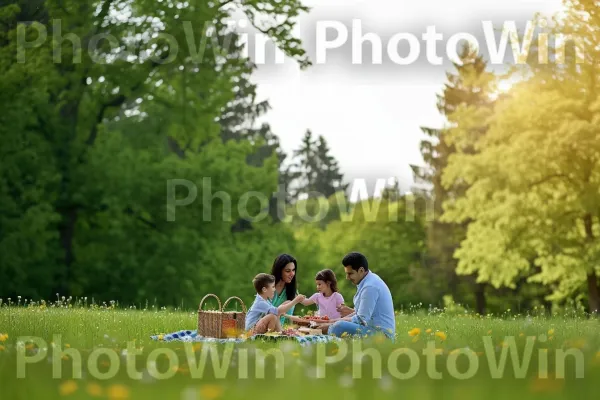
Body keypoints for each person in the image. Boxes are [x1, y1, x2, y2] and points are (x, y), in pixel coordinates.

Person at [315, 252, 396, 340]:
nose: (347, 277)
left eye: (350, 274)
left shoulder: (370, 287)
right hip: (370, 329)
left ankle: (324, 334)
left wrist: (330, 325)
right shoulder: (367, 281)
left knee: (338, 327)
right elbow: (359, 314)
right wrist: (331, 321)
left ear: (361, 270)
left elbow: (360, 320)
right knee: (337, 324)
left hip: (381, 336)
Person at [269, 254, 300, 325]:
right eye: (288, 271)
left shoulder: (292, 291)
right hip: (262, 327)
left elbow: (288, 318)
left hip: (280, 331)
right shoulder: (267, 287)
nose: (292, 274)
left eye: (293, 270)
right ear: (279, 271)